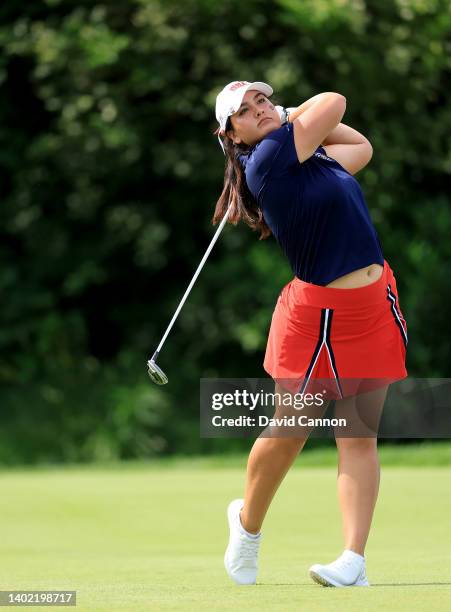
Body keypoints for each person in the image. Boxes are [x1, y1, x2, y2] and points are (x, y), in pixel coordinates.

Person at [212, 81, 408, 588]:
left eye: (262, 100)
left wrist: (289, 119)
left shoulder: (311, 159)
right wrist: (287, 113)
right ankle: (247, 525)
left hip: (370, 305)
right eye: (246, 111)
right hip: (317, 317)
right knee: (290, 431)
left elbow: (359, 146)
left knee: (359, 436)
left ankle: (353, 561)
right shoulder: (268, 160)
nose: (260, 111)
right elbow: (336, 101)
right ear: (231, 134)